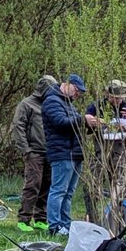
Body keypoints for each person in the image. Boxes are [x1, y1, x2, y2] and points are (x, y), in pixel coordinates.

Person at [83, 81, 126, 231]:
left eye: (120, 97)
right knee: (92, 184)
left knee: (119, 183)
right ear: (107, 94)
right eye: (115, 97)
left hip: (120, 151)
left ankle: (114, 218)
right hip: (100, 149)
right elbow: (88, 119)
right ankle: (92, 217)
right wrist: (109, 123)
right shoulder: (97, 106)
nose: (118, 100)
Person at [41, 73, 86, 238]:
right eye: (77, 90)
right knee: (59, 190)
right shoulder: (52, 101)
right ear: (67, 85)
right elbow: (60, 123)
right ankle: (54, 226)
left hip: (74, 153)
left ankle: (65, 225)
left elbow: (76, 126)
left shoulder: (68, 104)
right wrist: (83, 120)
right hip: (62, 153)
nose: (78, 94)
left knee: (69, 193)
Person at [10, 75, 55, 231]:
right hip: (34, 151)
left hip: (50, 151)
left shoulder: (51, 105)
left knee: (46, 185)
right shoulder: (26, 104)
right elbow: (18, 126)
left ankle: (40, 218)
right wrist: (26, 150)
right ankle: (24, 219)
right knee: (33, 185)